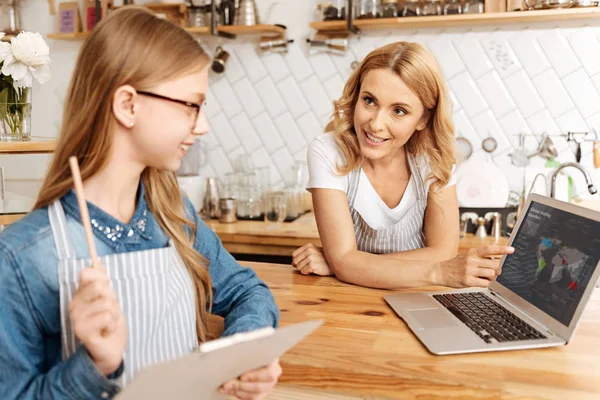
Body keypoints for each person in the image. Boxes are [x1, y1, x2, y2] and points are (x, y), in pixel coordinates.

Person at [0, 7, 280, 400]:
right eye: (191, 105)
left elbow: (249, 292)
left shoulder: (174, 216)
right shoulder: (20, 258)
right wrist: (94, 366)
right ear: (128, 105)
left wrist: (240, 356)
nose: (202, 125)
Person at [292, 42, 513, 289]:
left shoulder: (434, 157)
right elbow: (346, 262)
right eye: (369, 101)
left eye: (398, 111)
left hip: (418, 296)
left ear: (423, 119)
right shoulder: (329, 151)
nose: (376, 124)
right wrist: (344, 264)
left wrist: (349, 264)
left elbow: (444, 253)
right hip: (352, 302)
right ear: (356, 98)